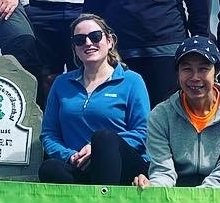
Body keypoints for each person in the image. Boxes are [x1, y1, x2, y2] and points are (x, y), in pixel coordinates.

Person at [39, 14, 151, 186]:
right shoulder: (61, 84)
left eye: (95, 36)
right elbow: (49, 134)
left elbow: (143, 132)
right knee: (49, 168)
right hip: (79, 165)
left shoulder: (132, 80)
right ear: (74, 48)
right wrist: (70, 155)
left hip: (123, 166)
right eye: (80, 40)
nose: (88, 43)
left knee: (103, 138)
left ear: (110, 41)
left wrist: (97, 150)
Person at [139, 37, 220, 188]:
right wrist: (153, 188)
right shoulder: (160, 115)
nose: (195, 77)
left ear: (217, 71)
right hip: (176, 197)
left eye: (203, 69)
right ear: (177, 73)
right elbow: (163, 172)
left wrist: (196, 202)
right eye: (187, 69)